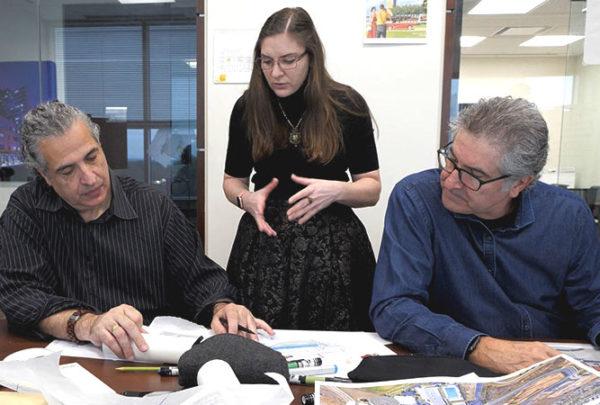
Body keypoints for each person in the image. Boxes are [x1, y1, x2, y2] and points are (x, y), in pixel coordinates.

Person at [0, 101, 273, 360]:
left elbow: (201, 280)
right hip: (61, 365)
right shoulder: (27, 209)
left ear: (101, 146)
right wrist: (87, 324)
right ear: (44, 176)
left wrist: (223, 307)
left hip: (149, 359)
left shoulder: (152, 206)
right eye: (68, 171)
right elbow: (20, 296)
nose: (90, 178)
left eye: (92, 157)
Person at [370, 96, 600, 374]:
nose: (451, 180)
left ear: (520, 183)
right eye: (451, 160)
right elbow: (393, 306)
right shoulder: (416, 199)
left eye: (473, 176)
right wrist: (478, 347)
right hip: (454, 365)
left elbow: (592, 305)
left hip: (546, 365)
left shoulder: (569, 216)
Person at [223, 7, 381, 331]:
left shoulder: (346, 105)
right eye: (266, 61)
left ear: (311, 56)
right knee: (258, 348)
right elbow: (232, 182)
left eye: (288, 60)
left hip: (333, 248)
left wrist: (337, 190)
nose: (276, 72)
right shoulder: (247, 107)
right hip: (265, 247)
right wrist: (245, 200)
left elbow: (372, 187)